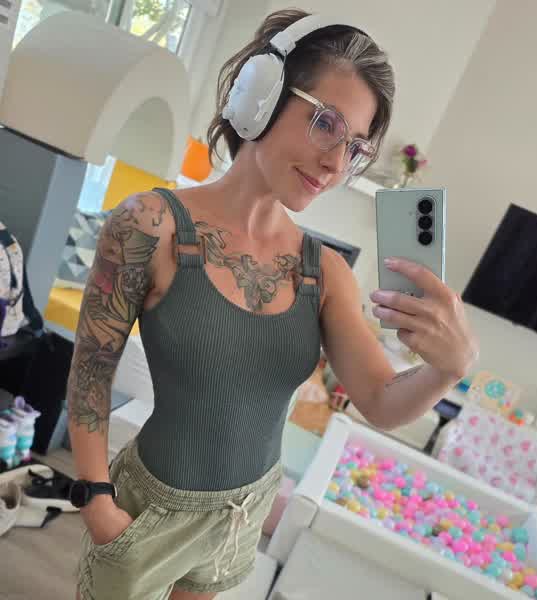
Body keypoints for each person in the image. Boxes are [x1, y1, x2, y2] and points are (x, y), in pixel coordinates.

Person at [67, 9, 479, 600]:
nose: (335, 163)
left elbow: (382, 402)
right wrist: (95, 500)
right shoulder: (150, 225)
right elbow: (90, 371)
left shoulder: (326, 272)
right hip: (148, 512)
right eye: (326, 123)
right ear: (260, 96)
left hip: (242, 514)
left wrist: (448, 368)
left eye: (355, 146)